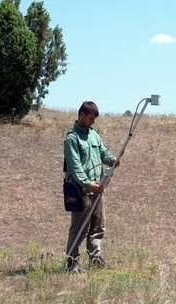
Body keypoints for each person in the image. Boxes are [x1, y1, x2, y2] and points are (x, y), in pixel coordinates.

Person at [63, 101, 118, 273]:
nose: (93, 121)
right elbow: (75, 165)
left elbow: (103, 152)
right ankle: (72, 263)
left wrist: (112, 160)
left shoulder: (94, 135)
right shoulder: (71, 138)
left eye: (95, 118)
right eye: (91, 118)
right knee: (79, 228)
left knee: (97, 226)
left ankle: (95, 259)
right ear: (81, 115)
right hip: (81, 190)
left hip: (98, 188)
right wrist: (87, 183)